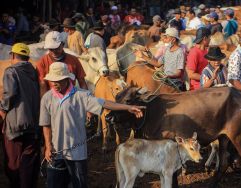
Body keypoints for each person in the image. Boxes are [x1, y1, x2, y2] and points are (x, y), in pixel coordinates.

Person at [40, 62, 144, 188]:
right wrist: (48, 145)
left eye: (58, 80)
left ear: (67, 79)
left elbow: (105, 103)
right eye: (52, 80)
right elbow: (46, 124)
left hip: (77, 152)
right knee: (53, 184)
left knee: (79, 184)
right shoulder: (47, 98)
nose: (54, 84)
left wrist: (128, 107)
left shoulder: (81, 95)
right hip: (55, 152)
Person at [1, 43, 40, 188]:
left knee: (13, 163)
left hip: (15, 127)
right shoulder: (33, 71)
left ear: (12, 55)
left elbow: (9, 94)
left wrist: (2, 108)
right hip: (33, 124)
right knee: (29, 162)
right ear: (27, 58)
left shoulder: (11, 71)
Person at [36, 31, 88, 97]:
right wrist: (45, 103)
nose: (54, 52)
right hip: (53, 99)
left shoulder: (74, 60)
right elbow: (42, 84)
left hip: (72, 98)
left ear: (63, 44)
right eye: (51, 49)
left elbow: (82, 81)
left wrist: (87, 98)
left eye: (57, 48)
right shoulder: (42, 62)